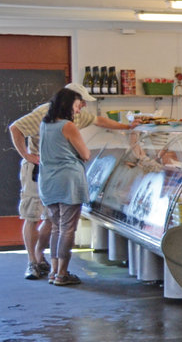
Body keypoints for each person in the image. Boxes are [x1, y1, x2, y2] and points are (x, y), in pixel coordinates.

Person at [8, 82, 133, 280]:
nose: (83, 106)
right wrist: (27, 155)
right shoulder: (45, 116)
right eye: (81, 102)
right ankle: (36, 263)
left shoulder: (70, 117)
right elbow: (15, 128)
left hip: (49, 176)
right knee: (36, 217)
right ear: (70, 100)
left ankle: (46, 262)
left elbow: (100, 121)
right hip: (39, 170)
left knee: (53, 222)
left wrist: (129, 126)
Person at [37, 88, 91, 286]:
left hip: (48, 182)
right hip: (68, 181)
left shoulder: (44, 124)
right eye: (77, 107)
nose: (78, 111)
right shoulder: (68, 126)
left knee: (56, 228)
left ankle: (53, 271)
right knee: (68, 229)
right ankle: (62, 273)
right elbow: (85, 154)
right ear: (68, 106)